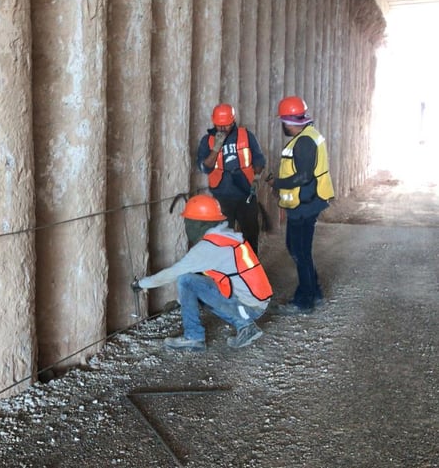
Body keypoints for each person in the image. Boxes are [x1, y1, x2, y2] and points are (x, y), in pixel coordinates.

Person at [131, 195, 272, 351]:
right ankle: (244, 326)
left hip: (249, 308)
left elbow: (173, 272)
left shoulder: (208, 248)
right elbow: (213, 278)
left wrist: (141, 284)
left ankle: (199, 336)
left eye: (188, 221)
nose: (186, 226)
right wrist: (180, 301)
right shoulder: (227, 236)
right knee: (192, 280)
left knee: (185, 279)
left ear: (198, 224)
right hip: (257, 301)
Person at [267, 96, 335, 315]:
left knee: (299, 251)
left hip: (305, 204)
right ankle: (314, 292)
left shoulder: (304, 141)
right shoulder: (309, 136)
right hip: (307, 201)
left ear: (289, 121)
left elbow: (304, 176)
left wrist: (277, 183)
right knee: (299, 249)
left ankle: (304, 301)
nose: (284, 126)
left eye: (284, 122)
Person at [196, 104, 267, 253]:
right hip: (222, 198)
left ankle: (250, 270)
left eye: (226, 125)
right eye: (219, 125)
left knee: (250, 236)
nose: (222, 129)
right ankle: (227, 272)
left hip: (246, 194)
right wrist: (216, 147)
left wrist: (256, 178)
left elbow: (259, 159)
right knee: (223, 239)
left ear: (233, 121)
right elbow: (205, 168)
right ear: (213, 122)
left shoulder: (246, 136)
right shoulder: (207, 140)